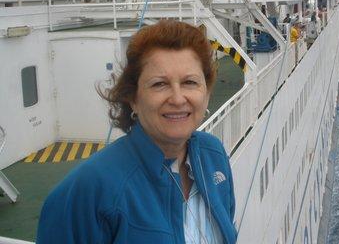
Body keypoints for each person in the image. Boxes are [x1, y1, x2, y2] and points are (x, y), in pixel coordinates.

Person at [37, 20, 237, 244]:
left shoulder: (213, 155)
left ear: (206, 92)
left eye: (190, 82)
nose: (178, 98)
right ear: (133, 98)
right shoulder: (89, 190)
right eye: (159, 84)